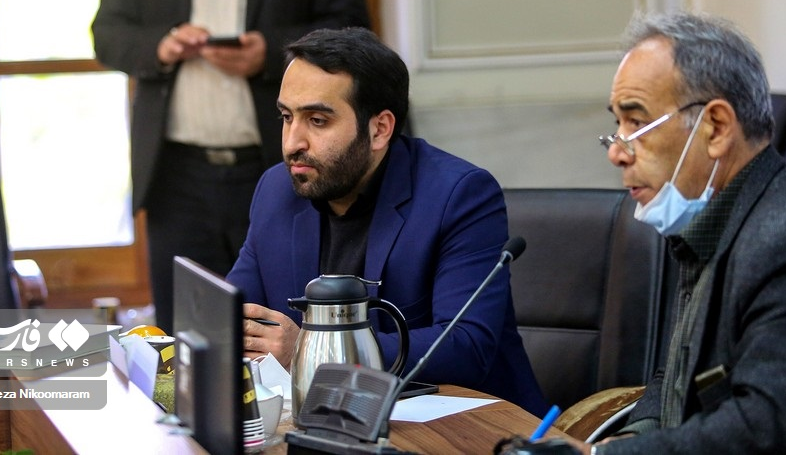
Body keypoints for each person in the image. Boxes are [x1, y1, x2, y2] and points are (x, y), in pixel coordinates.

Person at [566, 12, 786, 453]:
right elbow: (677, 374)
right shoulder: (711, 219)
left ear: (715, 127)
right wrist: (633, 437)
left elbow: (762, 432)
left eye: (636, 124)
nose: (617, 152)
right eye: (617, 126)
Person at [91, 0, 370, 331]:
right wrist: (162, 46)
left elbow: (353, 28)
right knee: (186, 339)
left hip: (280, 169)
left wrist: (272, 54)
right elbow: (108, 34)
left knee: (279, 329)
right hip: (177, 176)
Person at [224, 27, 547, 416]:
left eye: (318, 120)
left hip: (465, 426)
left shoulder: (458, 195)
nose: (293, 142)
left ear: (379, 129)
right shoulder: (276, 190)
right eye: (287, 117)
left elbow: (467, 345)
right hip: (326, 419)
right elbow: (232, 314)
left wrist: (313, 352)